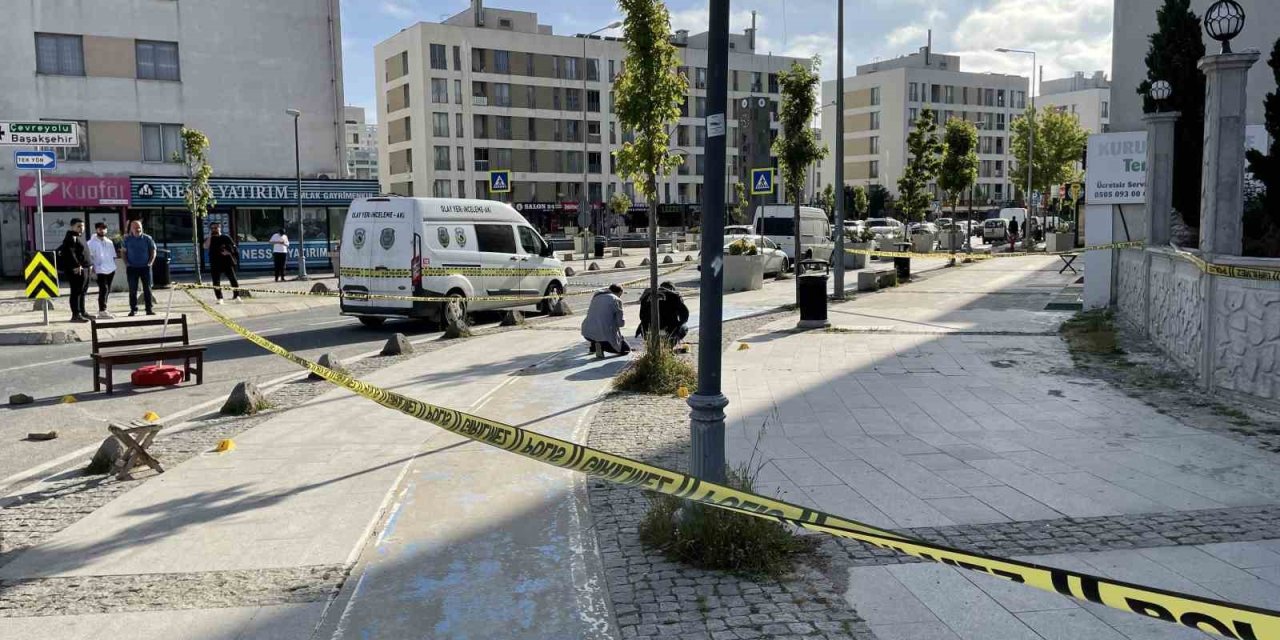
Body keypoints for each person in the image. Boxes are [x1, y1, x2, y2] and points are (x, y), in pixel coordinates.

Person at [56, 218, 91, 323]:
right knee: (76, 292)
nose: (81, 228)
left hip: (85, 268)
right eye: (78, 226)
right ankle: (76, 315)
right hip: (77, 269)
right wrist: (76, 265)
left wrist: (89, 265)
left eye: (82, 226)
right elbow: (70, 253)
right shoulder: (70, 237)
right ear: (72, 227)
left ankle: (83, 312)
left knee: (83, 291)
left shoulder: (78, 237)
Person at [581, 284, 630, 357]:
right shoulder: (616, 300)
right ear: (618, 292)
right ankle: (601, 345)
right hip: (604, 335)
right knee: (626, 349)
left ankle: (594, 345)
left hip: (587, 332)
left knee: (598, 325)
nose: (620, 297)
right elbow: (621, 323)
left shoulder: (596, 296)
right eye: (620, 295)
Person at [636, 281, 689, 346]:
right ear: (672, 289)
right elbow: (685, 315)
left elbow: (641, 315)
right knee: (684, 327)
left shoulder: (646, 296)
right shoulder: (675, 296)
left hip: (647, 328)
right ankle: (671, 346)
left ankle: (652, 347)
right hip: (669, 328)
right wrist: (679, 324)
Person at [122, 219, 157, 316]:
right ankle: (133, 309)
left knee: (147, 289)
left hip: (145, 267)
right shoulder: (127, 239)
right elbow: (123, 252)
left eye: (139, 227)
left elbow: (153, 251)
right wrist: (126, 263)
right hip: (132, 268)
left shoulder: (147, 238)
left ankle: (149, 309)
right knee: (132, 290)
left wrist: (150, 262)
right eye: (135, 228)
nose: (138, 229)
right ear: (131, 229)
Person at [86, 221, 118, 318]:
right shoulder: (90, 243)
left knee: (107, 290)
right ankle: (102, 310)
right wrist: (93, 270)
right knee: (103, 289)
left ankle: (104, 309)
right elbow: (89, 257)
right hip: (99, 269)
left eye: (104, 228)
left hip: (110, 268)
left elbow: (113, 255)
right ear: (96, 229)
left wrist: (113, 266)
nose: (102, 230)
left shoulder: (109, 242)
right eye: (100, 228)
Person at [203, 222, 241, 304]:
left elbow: (235, 248)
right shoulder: (210, 238)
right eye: (212, 228)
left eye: (216, 228)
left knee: (233, 279)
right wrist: (210, 236)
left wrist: (229, 252)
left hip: (226, 262)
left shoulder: (225, 237)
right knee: (216, 281)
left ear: (220, 228)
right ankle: (219, 298)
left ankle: (237, 295)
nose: (214, 230)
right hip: (215, 262)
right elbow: (205, 246)